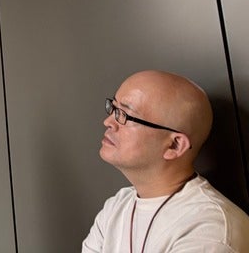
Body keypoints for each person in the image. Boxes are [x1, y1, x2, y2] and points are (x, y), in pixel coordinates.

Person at [82, 70, 249, 252]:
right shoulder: (116, 207)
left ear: (175, 145)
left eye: (125, 115)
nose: (108, 122)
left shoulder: (211, 229)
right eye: (113, 108)